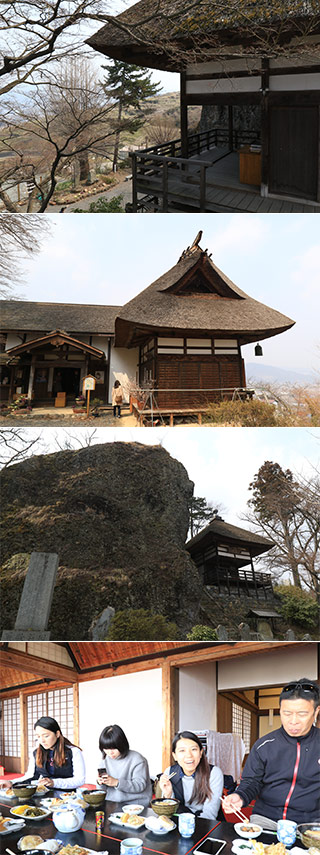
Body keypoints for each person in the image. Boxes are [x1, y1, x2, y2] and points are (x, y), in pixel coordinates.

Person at [223, 678, 320, 828]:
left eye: (302, 714)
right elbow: (251, 782)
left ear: (316, 711)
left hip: (310, 821)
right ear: (280, 710)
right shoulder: (264, 745)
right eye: (287, 713)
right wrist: (239, 796)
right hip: (266, 817)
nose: (293, 721)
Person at [0, 716, 85, 790]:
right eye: (38, 736)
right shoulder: (36, 752)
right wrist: (11, 782)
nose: (42, 740)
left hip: (69, 796)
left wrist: (53, 782)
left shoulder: (73, 752)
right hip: (44, 795)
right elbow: (31, 776)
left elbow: (79, 780)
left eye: (46, 736)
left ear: (57, 734)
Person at [159, 730, 223, 820]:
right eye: (182, 750)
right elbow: (168, 812)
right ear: (175, 756)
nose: (189, 755)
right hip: (178, 821)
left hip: (205, 823)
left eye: (193, 749)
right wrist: (168, 795)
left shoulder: (214, 773)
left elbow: (210, 815)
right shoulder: (169, 772)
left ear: (201, 753)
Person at [97, 724, 152, 805]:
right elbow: (102, 791)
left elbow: (140, 786)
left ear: (121, 744)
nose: (110, 752)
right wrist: (100, 783)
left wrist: (117, 783)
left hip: (136, 804)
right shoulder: (104, 760)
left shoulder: (138, 759)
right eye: (106, 748)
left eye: (113, 748)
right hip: (111, 803)